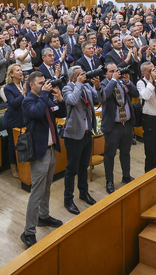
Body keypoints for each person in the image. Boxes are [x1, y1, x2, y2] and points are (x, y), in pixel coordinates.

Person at [20, 71, 66, 249]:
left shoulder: (44, 97)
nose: (44, 85)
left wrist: (60, 98)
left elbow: (59, 112)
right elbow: (38, 113)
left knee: (47, 186)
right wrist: (46, 94)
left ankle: (43, 216)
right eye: (40, 83)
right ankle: (28, 232)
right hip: (39, 152)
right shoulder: (28, 101)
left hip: (51, 149)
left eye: (44, 82)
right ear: (32, 85)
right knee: (37, 192)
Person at [61, 66, 100, 215]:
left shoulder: (86, 86)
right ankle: (68, 199)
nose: (83, 76)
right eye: (80, 75)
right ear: (73, 78)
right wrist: (78, 84)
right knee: (72, 169)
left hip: (87, 132)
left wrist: (97, 87)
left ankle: (83, 193)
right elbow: (72, 100)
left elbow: (98, 99)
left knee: (84, 166)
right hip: (73, 135)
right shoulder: (67, 88)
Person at [99, 63, 139, 194]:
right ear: (106, 73)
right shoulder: (104, 84)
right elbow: (105, 95)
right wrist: (114, 80)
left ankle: (126, 175)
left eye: (116, 71)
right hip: (112, 127)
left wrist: (128, 81)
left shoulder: (122, 82)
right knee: (110, 155)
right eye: (111, 71)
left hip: (126, 124)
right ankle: (109, 181)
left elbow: (135, 93)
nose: (115, 73)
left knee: (125, 152)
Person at [3, 64, 26, 178]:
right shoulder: (8, 87)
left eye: (21, 70)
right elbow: (14, 103)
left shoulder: (23, 84)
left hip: (24, 118)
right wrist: (24, 93)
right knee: (13, 143)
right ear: (11, 74)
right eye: (17, 70)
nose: (20, 72)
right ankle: (13, 167)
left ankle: (24, 164)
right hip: (12, 119)